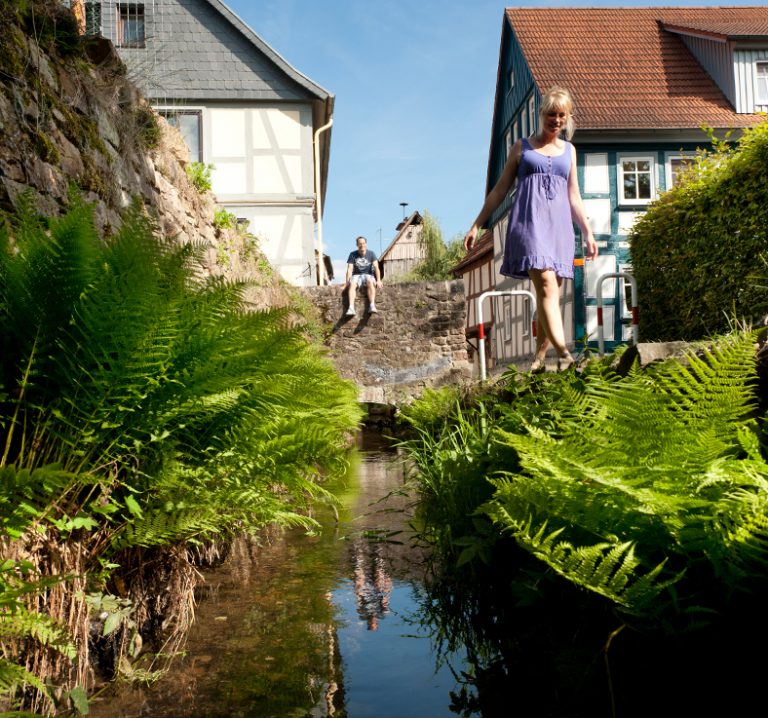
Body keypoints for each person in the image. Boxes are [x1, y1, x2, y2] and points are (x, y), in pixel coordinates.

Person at [464, 86, 598, 372]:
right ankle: (565, 354)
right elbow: (500, 191)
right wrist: (477, 224)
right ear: (542, 115)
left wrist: (587, 232)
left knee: (549, 296)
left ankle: (538, 360)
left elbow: (574, 196)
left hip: (559, 228)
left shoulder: (569, 152)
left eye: (562, 115)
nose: (556, 120)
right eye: (551, 114)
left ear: (568, 117)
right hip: (530, 224)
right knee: (547, 287)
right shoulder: (522, 148)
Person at [345, 236, 382, 316]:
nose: (362, 245)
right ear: (357, 245)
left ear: (366, 244)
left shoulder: (371, 254)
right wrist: (347, 281)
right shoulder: (352, 254)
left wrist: (378, 280)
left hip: (368, 274)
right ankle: (351, 308)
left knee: (370, 281)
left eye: (363, 243)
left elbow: (376, 267)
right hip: (357, 275)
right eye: (360, 243)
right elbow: (349, 269)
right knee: (352, 284)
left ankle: (372, 305)